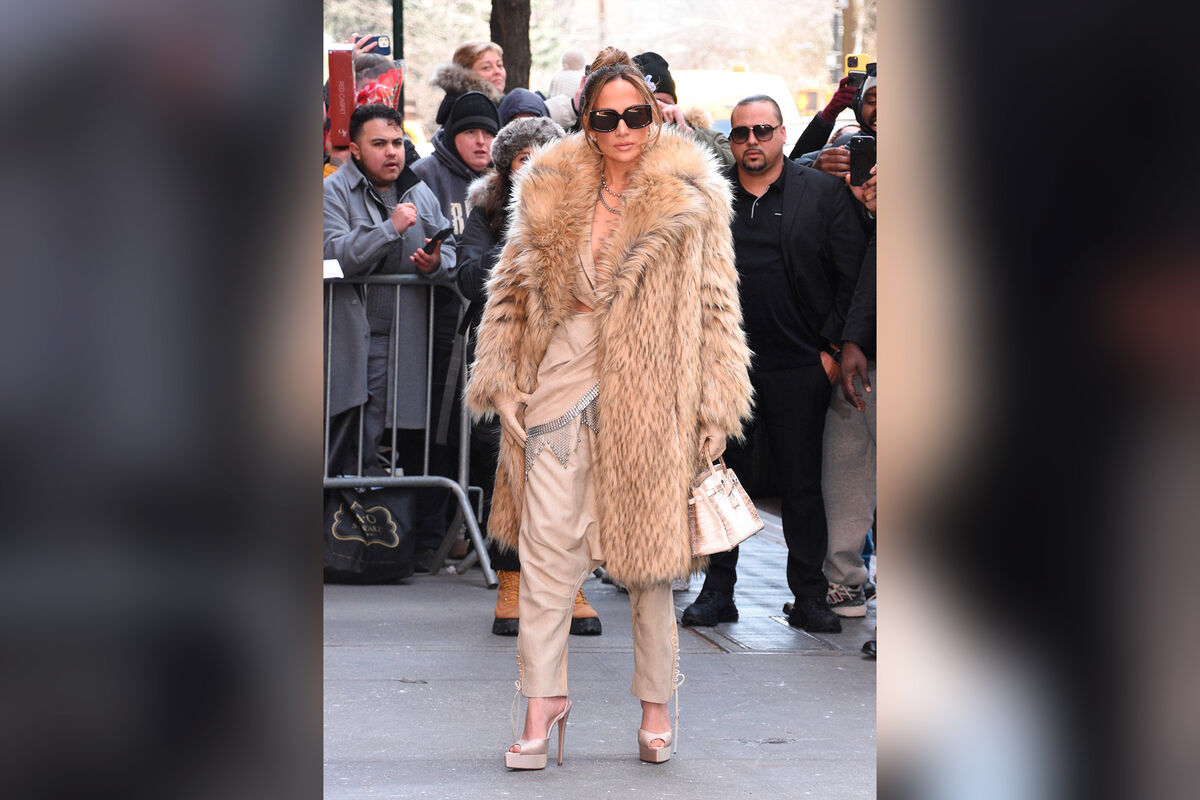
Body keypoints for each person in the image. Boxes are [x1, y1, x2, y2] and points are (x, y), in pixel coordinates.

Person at [465, 47, 752, 769]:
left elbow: (719, 307)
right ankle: (542, 701)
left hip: (653, 388)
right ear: (585, 121)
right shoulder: (548, 184)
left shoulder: (694, 191)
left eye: (635, 115)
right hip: (559, 379)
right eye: (606, 118)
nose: (623, 129)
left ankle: (656, 704)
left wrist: (717, 402)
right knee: (546, 551)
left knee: (648, 561)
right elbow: (511, 289)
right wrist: (501, 376)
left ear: (654, 114)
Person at [680, 94, 866, 634]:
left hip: (800, 363)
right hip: (725, 365)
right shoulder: (712, 195)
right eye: (740, 133)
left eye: (762, 130)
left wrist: (831, 350)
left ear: (783, 133)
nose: (752, 141)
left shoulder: (822, 194)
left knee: (802, 484)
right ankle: (718, 591)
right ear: (731, 140)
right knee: (720, 479)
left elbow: (850, 275)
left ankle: (808, 595)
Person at [457, 116, 603, 637]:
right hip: (507, 352)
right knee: (504, 469)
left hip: (567, 355)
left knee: (569, 467)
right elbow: (468, 275)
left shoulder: (584, 207)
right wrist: (524, 247)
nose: (537, 165)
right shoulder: (488, 212)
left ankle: (570, 582)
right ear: (507, 169)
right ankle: (511, 580)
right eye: (525, 157)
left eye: (546, 155)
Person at [323, 104, 456, 478]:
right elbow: (331, 256)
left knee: (394, 442)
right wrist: (389, 229)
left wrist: (435, 263)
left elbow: (451, 250)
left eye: (397, 142)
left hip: (404, 340)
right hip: (348, 338)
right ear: (355, 149)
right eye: (379, 144)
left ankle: (379, 509)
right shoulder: (332, 191)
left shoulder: (418, 191)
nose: (392, 152)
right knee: (344, 437)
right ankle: (341, 510)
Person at [632, 51, 733, 169]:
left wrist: (688, 134)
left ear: (675, 105)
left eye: (664, 103)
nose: (657, 112)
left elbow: (734, 168)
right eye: (648, 104)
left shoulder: (708, 136)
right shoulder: (624, 137)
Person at [431, 41, 506, 129]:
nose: (497, 71)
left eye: (499, 65)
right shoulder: (468, 108)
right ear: (466, 73)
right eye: (486, 67)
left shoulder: (497, 104)